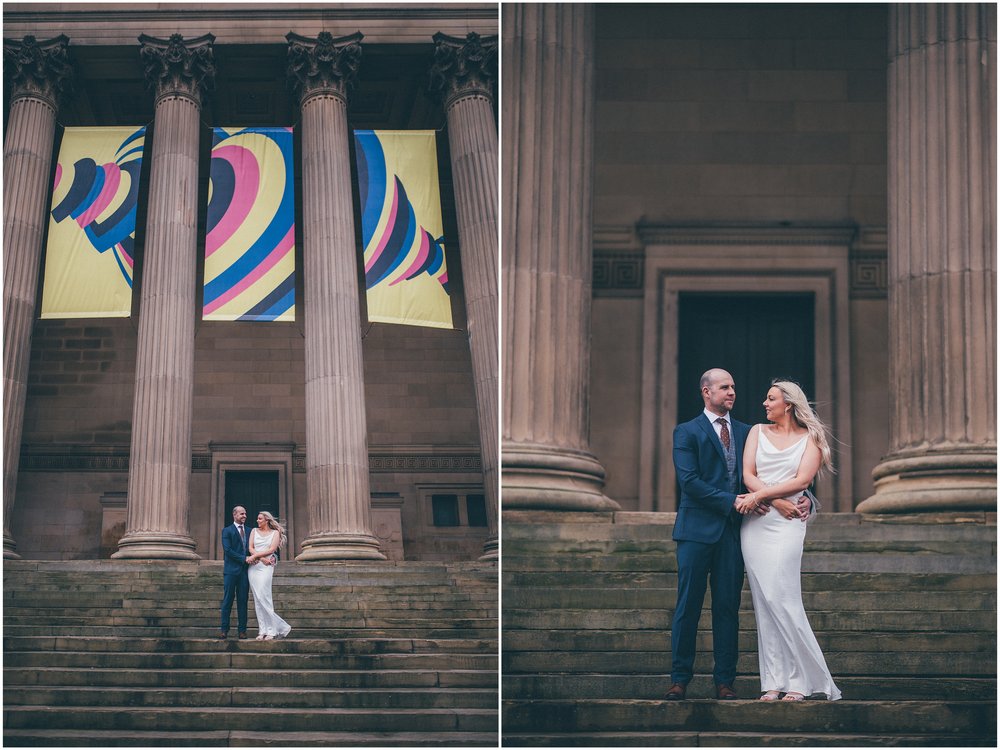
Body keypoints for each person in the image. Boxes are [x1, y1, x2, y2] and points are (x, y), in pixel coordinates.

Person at [735, 380, 842, 701]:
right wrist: (773, 499)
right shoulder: (756, 431)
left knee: (783, 597)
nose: (764, 404)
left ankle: (800, 680)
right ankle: (773, 681)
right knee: (764, 602)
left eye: (771, 399)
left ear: (789, 405)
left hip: (788, 523)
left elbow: (803, 480)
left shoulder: (812, 439)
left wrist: (764, 497)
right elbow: (748, 474)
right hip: (757, 523)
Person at [667, 368, 756, 701]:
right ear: (706, 391)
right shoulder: (686, 432)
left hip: (733, 534)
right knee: (687, 606)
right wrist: (732, 501)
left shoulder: (749, 433)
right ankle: (679, 678)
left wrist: (798, 496)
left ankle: (725, 681)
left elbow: (766, 474)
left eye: (733, 386)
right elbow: (689, 481)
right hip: (695, 532)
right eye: (724, 387)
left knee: (727, 609)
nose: (732, 392)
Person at [247, 511, 291, 640]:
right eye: (257, 518)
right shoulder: (254, 531)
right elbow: (250, 548)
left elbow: (272, 549)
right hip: (254, 567)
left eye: (260, 518)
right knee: (257, 599)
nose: (257, 521)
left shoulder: (275, 533)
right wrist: (260, 558)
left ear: (267, 520)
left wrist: (256, 556)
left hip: (266, 567)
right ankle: (263, 630)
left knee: (264, 596)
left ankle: (272, 630)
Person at [220, 505, 250, 640]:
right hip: (231, 571)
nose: (244, 516)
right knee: (227, 600)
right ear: (234, 515)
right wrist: (244, 559)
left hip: (245, 572)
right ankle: (224, 629)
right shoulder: (227, 531)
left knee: (243, 601)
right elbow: (228, 550)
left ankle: (242, 630)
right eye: (241, 514)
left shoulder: (250, 531)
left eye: (245, 514)